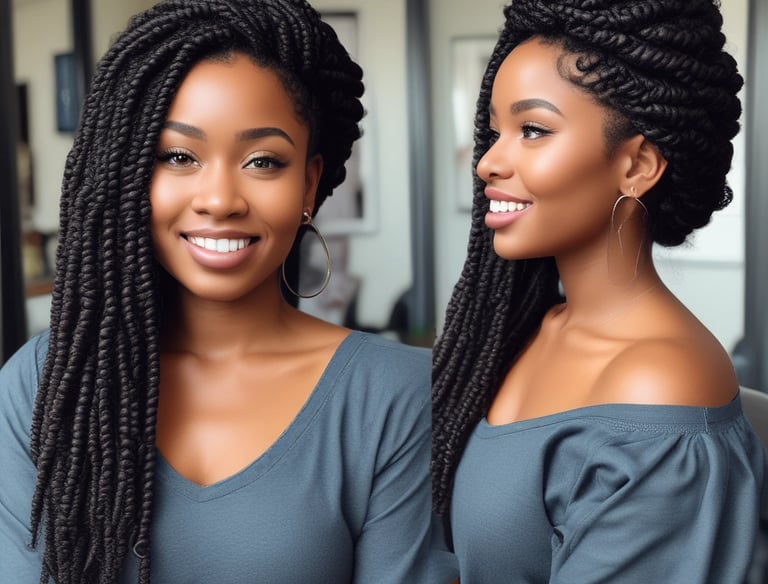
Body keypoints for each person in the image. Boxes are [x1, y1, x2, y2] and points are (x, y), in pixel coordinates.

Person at [0, 1, 434, 582]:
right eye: (179, 156)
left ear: (309, 181)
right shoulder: (42, 383)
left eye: (263, 160)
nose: (220, 198)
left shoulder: (394, 398)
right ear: (129, 174)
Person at [432, 0, 768, 582]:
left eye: (533, 130)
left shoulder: (658, 387)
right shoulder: (528, 328)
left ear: (637, 165)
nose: (488, 160)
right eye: (494, 130)